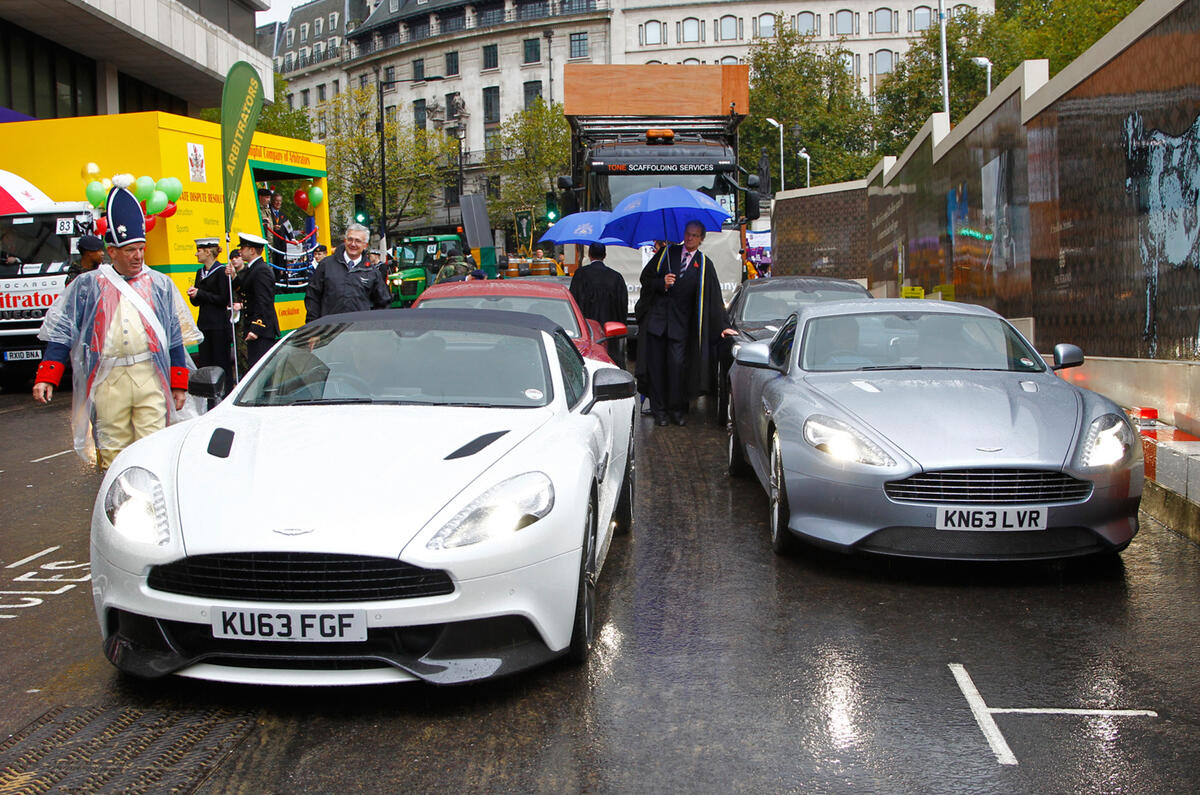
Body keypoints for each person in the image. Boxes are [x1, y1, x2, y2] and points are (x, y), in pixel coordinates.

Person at [32, 184, 202, 469]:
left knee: (153, 450)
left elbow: (174, 336)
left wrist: (178, 384)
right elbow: (63, 331)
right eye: (130, 250)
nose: (138, 256)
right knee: (112, 453)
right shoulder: (88, 285)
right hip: (108, 379)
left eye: (141, 249)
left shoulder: (159, 284)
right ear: (112, 251)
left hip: (150, 375)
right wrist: (47, 375)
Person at [635, 221, 735, 426]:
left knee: (677, 368)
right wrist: (661, 282)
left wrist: (723, 325)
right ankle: (659, 412)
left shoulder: (705, 264)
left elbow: (713, 298)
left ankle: (676, 410)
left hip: (681, 327)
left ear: (701, 239)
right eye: (688, 234)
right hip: (657, 323)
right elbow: (646, 279)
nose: (690, 238)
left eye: (695, 236)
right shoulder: (666, 254)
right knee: (656, 368)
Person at [304, 223, 390, 323]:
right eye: (350, 239)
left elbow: (384, 303)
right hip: (329, 330)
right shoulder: (326, 265)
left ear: (365, 245)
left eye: (358, 241)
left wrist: (371, 325)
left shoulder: (372, 272)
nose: (353, 244)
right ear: (345, 241)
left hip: (358, 332)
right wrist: (314, 328)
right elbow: (312, 297)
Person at [187, 237, 235, 385]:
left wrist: (200, 293)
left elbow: (223, 299)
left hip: (219, 326)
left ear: (208, 252)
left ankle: (225, 394)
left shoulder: (221, 271)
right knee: (206, 365)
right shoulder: (199, 273)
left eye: (199, 250)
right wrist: (194, 296)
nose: (196, 254)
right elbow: (197, 303)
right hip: (205, 324)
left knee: (221, 364)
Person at [232, 232, 279, 369]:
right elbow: (246, 293)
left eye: (243, 248)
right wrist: (235, 278)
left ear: (252, 250)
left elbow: (263, 302)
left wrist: (256, 328)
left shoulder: (261, 271)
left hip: (261, 330)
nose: (240, 251)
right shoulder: (253, 269)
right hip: (254, 328)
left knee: (261, 370)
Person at [570, 242, 626, 327]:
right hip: (610, 328)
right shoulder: (616, 277)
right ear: (605, 255)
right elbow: (622, 305)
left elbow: (574, 300)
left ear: (589, 254)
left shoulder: (581, 274)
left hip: (587, 326)